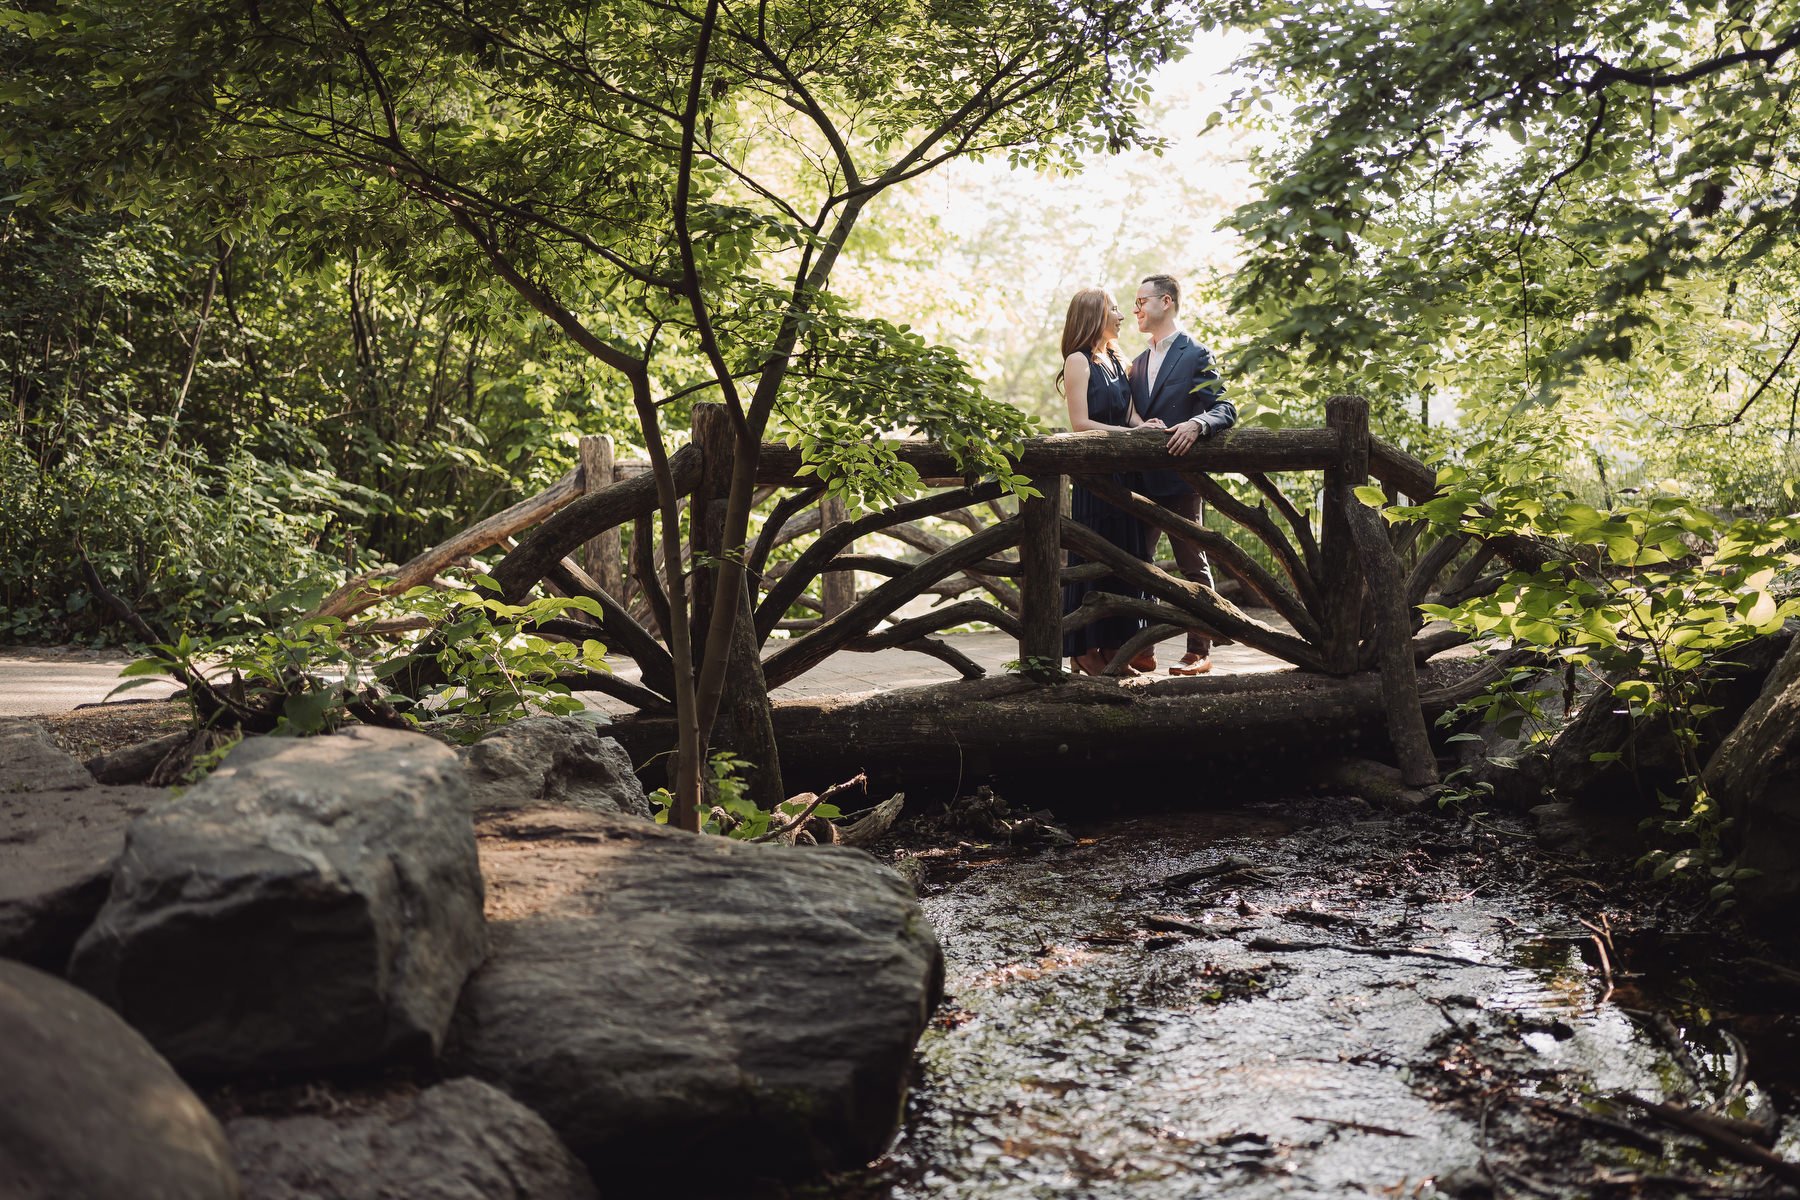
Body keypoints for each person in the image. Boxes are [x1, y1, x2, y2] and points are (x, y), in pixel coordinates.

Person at [1128, 273, 1237, 675]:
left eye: (1142, 301)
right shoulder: (1135, 363)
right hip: (1140, 479)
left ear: (1167, 302)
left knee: (1192, 564)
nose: (1136, 309)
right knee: (1140, 563)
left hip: (1181, 480)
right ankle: (1145, 648)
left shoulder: (1195, 353)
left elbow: (1225, 407)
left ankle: (1199, 651)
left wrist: (1198, 424)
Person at [1058, 288, 1162, 676]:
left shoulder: (1118, 359)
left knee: (1123, 561)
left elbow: (1131, 415)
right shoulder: (1077, 361)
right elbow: (1080, 424)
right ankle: (1084, 652)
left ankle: (1113, 653)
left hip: (1125, 477)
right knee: (1094, 559)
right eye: (1115, 309)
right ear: (1094, 315)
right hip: (1095, 480)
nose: (1122, 315)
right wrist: (1129, 435)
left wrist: (1147, 428)